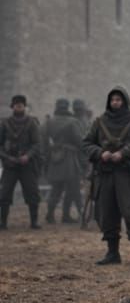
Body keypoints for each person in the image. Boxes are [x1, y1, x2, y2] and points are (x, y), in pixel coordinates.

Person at [82, 86, 130, 265]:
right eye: (113, 100)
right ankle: (112, 253)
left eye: (119, 100)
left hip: (127, 173)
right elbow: (87, 143)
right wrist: (99, 153)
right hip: (105, 175)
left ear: (124, 101)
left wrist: (124, 152)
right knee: (107, 212)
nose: (115, 103)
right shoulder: (99, 121)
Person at [0, 95, 43, 230]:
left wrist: (28, 156)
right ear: (12, 106)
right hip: (10, 165)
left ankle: (34, 222)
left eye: (21, 105)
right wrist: (7, 158)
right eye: (16, 105)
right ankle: (3, 222)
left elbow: (36, 144)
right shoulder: (4, 123)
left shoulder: (31, 123)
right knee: (4, 194)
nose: (19, 107)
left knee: (33, 194)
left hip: (27, 165)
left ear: (25, 106)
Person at [43, 98, 85, 224]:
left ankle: (50, 215)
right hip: (70, 159)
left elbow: (43, 139)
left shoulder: (49, 122)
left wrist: (49, 152)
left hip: (55, 158)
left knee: (56, 189)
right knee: (74, 189)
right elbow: (80, 141)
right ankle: (79, 216)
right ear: (67, 107)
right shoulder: (73, 121)